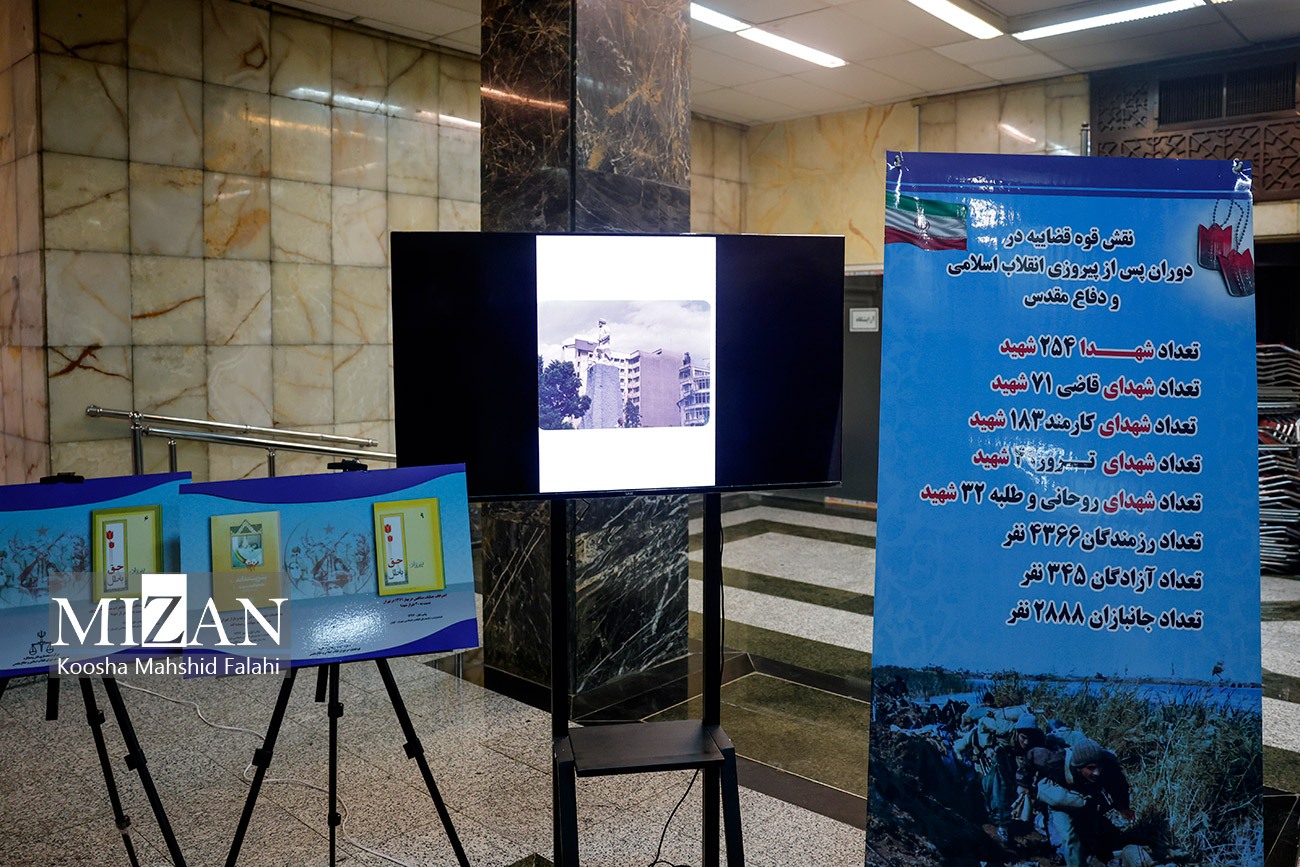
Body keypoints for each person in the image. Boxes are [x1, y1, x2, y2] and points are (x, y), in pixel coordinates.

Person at [1021, 738, 1152, 867]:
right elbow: (1032, 755)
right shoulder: (1055, 761)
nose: (1097, 772)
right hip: (1062, 799)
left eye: (1099, 767)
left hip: (1086, 799)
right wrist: (1023, 784)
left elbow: (1118, 785)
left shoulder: (1108, 763)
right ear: (1078, 767)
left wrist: (1122, 806)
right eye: (1091, 768)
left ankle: (1093, 857)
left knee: (1090, 833)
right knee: (1069, 836)